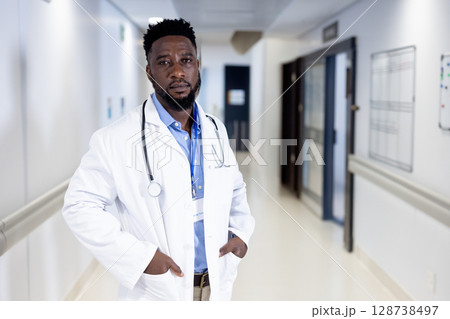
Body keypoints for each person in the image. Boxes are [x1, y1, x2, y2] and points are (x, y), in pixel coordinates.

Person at [62, 18, 255, 301]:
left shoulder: (215, 128)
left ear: (197, 66)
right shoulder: (114, 139)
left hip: (216, 282)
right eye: (165, 62)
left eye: (186, 60)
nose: (178, 71)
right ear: (150, 72)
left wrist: (241, 234)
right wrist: (140, 258)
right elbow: (79, 206)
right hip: (158, 291)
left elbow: (235, 187)